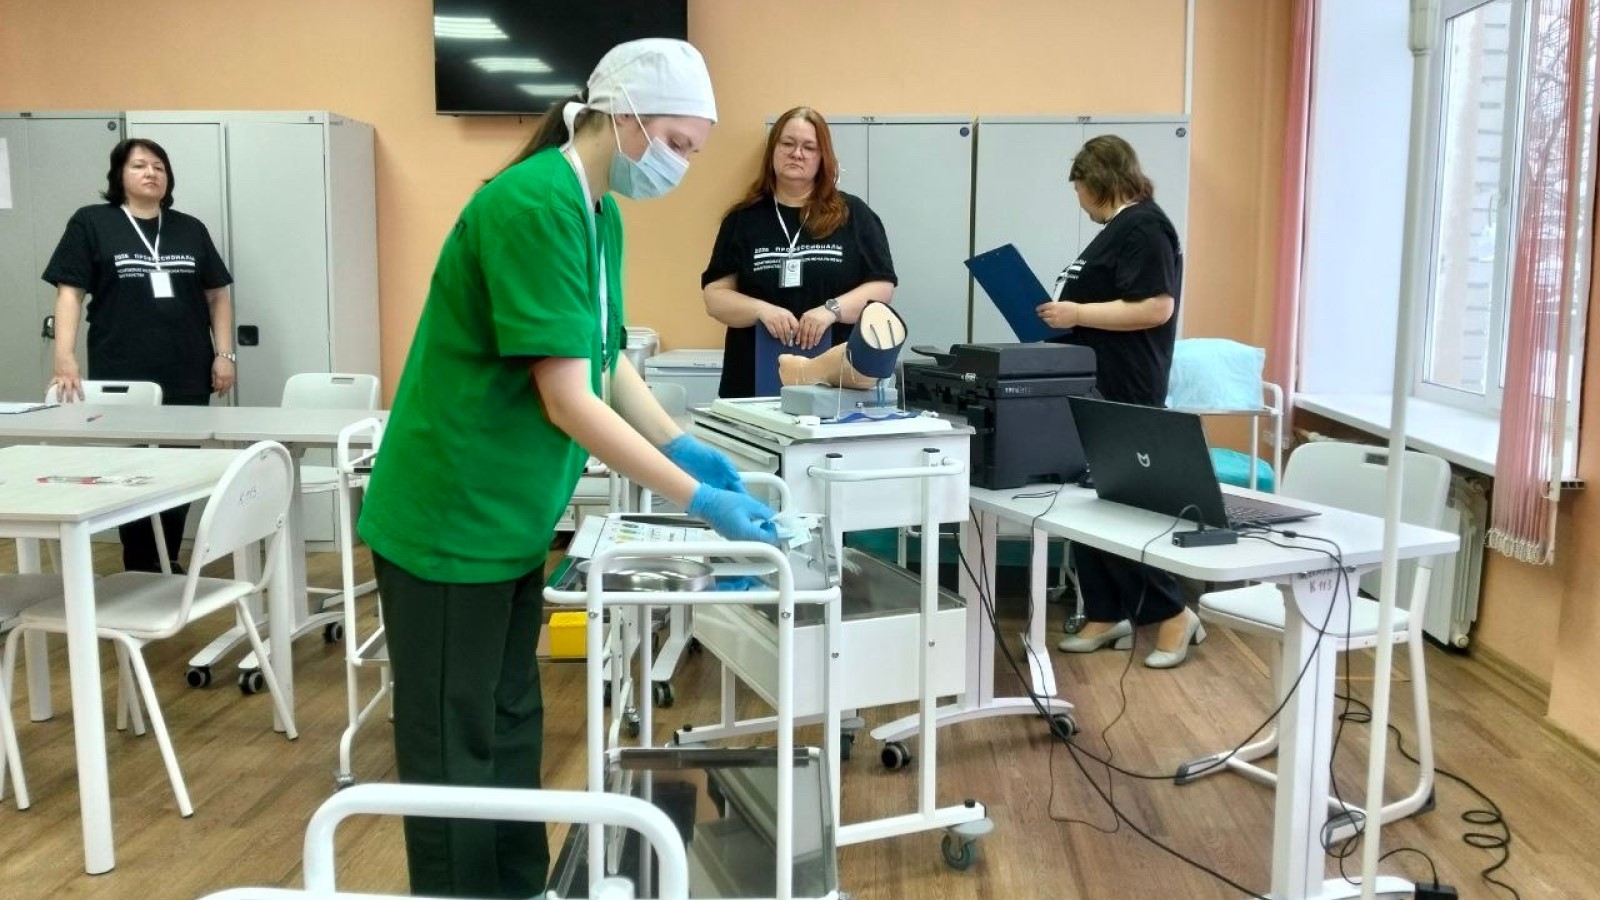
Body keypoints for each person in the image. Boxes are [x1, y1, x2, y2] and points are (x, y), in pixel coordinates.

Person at [358, 39, 775, 898]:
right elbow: (566, 399)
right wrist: (696, 499)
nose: (680, 164)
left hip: (510, 517)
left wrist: (678, 441)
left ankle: (517, 888)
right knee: (453, 743)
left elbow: (606, 359)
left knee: (511, 720)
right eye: (676, 143)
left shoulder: (598, 212)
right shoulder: (532, 204)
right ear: (623, 116)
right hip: (450, 521)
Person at [1038, 135, 1202, 669]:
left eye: (1078, 189)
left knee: (1123, 510)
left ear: (1097, 180)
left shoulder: (1145, 226)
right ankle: (1106, 611)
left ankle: (1172, 613)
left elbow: (1155, 307)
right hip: (1095, 382)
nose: (1079, 200)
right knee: (1089, 505)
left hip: (1127, 388)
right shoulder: (1116, 231)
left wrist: (1077, 314)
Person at [41, 138, 236, 574]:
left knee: (181, 469)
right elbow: (70, 292)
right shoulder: (93, 222)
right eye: (140, 166)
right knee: (130, 471)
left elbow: (217, 295)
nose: (151, 173)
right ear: (119, 176)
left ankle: (167, 560)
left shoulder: (189, 228)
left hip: (186, 370)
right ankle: (140, 565)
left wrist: (224, 354)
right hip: (121, 371)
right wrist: (64, 356)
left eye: (159, 167)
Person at [702, 106, 898, 398]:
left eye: (809, 147)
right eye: (788, 143)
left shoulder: (854, 214)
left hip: (837, 385)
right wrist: (762, 310)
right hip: (751, 380)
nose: (797, 154)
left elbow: (881, 288)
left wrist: (830, 310)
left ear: (823, 157)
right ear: (773, 150)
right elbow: (715, 296)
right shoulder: (742, 220)